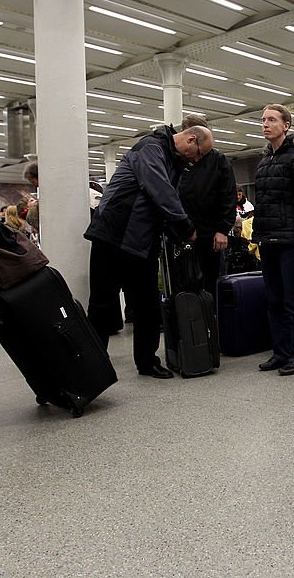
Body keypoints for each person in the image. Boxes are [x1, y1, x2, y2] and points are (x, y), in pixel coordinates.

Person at [84, 124, 210, 379]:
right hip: (113, 236)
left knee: (147, 306)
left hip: (141, 241)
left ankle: (147, 362)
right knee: (102, 305)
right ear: (191, 139)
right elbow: (160, 191)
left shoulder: (172, 160)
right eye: (198, 153)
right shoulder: (150, 148)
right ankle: (91, 366)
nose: (196, 160)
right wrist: (185, 226)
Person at [252, 104, 294, 377]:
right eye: (263, 120)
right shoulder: (265, 159)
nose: (265, 124)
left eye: (271, 120)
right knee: (274, 300)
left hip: (292, 240)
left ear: (286, 125)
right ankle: (280, 353)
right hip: (268, 238)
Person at [176, 114, 238, 297]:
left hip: (210, 236)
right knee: (183, 283)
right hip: (182, 233)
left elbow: (228, 196)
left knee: (212, 283)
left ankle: (213, 320)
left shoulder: (219, 161)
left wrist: (222, 229)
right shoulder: (178, 160)